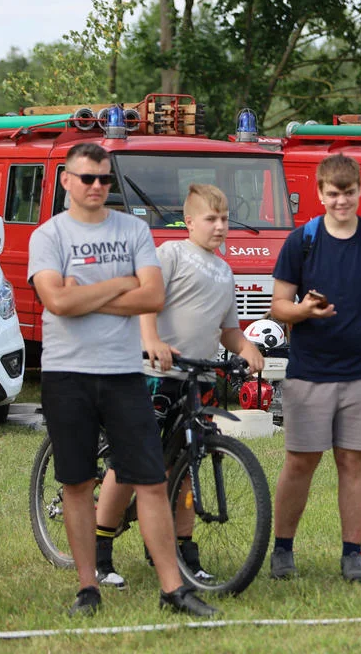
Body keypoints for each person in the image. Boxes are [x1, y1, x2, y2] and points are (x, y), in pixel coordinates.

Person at [27, 142, 217, 617]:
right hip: (67, 375)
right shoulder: (47, 236)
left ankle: (173, 589)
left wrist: (87, 292)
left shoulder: (133, 230)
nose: (96, 187)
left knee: (151, 480)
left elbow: (152, 297)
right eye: (87, 178)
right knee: (76, 483)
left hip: (124, 374)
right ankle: (87, 588)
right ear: (66, 180)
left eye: (104, 179)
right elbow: (57, 303)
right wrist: (119, 286)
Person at [91, 183, 264, 589]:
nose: (220, 226)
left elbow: (228, 330)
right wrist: (151, 339)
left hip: (196, 379)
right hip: (155, 375)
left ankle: (182, 552)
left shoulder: (224, 271)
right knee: (129, 464)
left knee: (185, 469)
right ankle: (100, 550)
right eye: (211, 219)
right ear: (188, 222)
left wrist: (247, 347)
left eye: (224, 219)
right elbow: (145, 300)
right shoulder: (171, 254)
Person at [268, 154, 361, 582]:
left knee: (353, 462)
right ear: (319, 193)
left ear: (359, 192)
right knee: (300, 462)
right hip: (309, 373)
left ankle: (353, 553)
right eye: (332, 193)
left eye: (348, 193)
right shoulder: (302, 241)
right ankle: (282, 549)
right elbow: (277, 308)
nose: (340, 201)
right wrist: (303, 311)